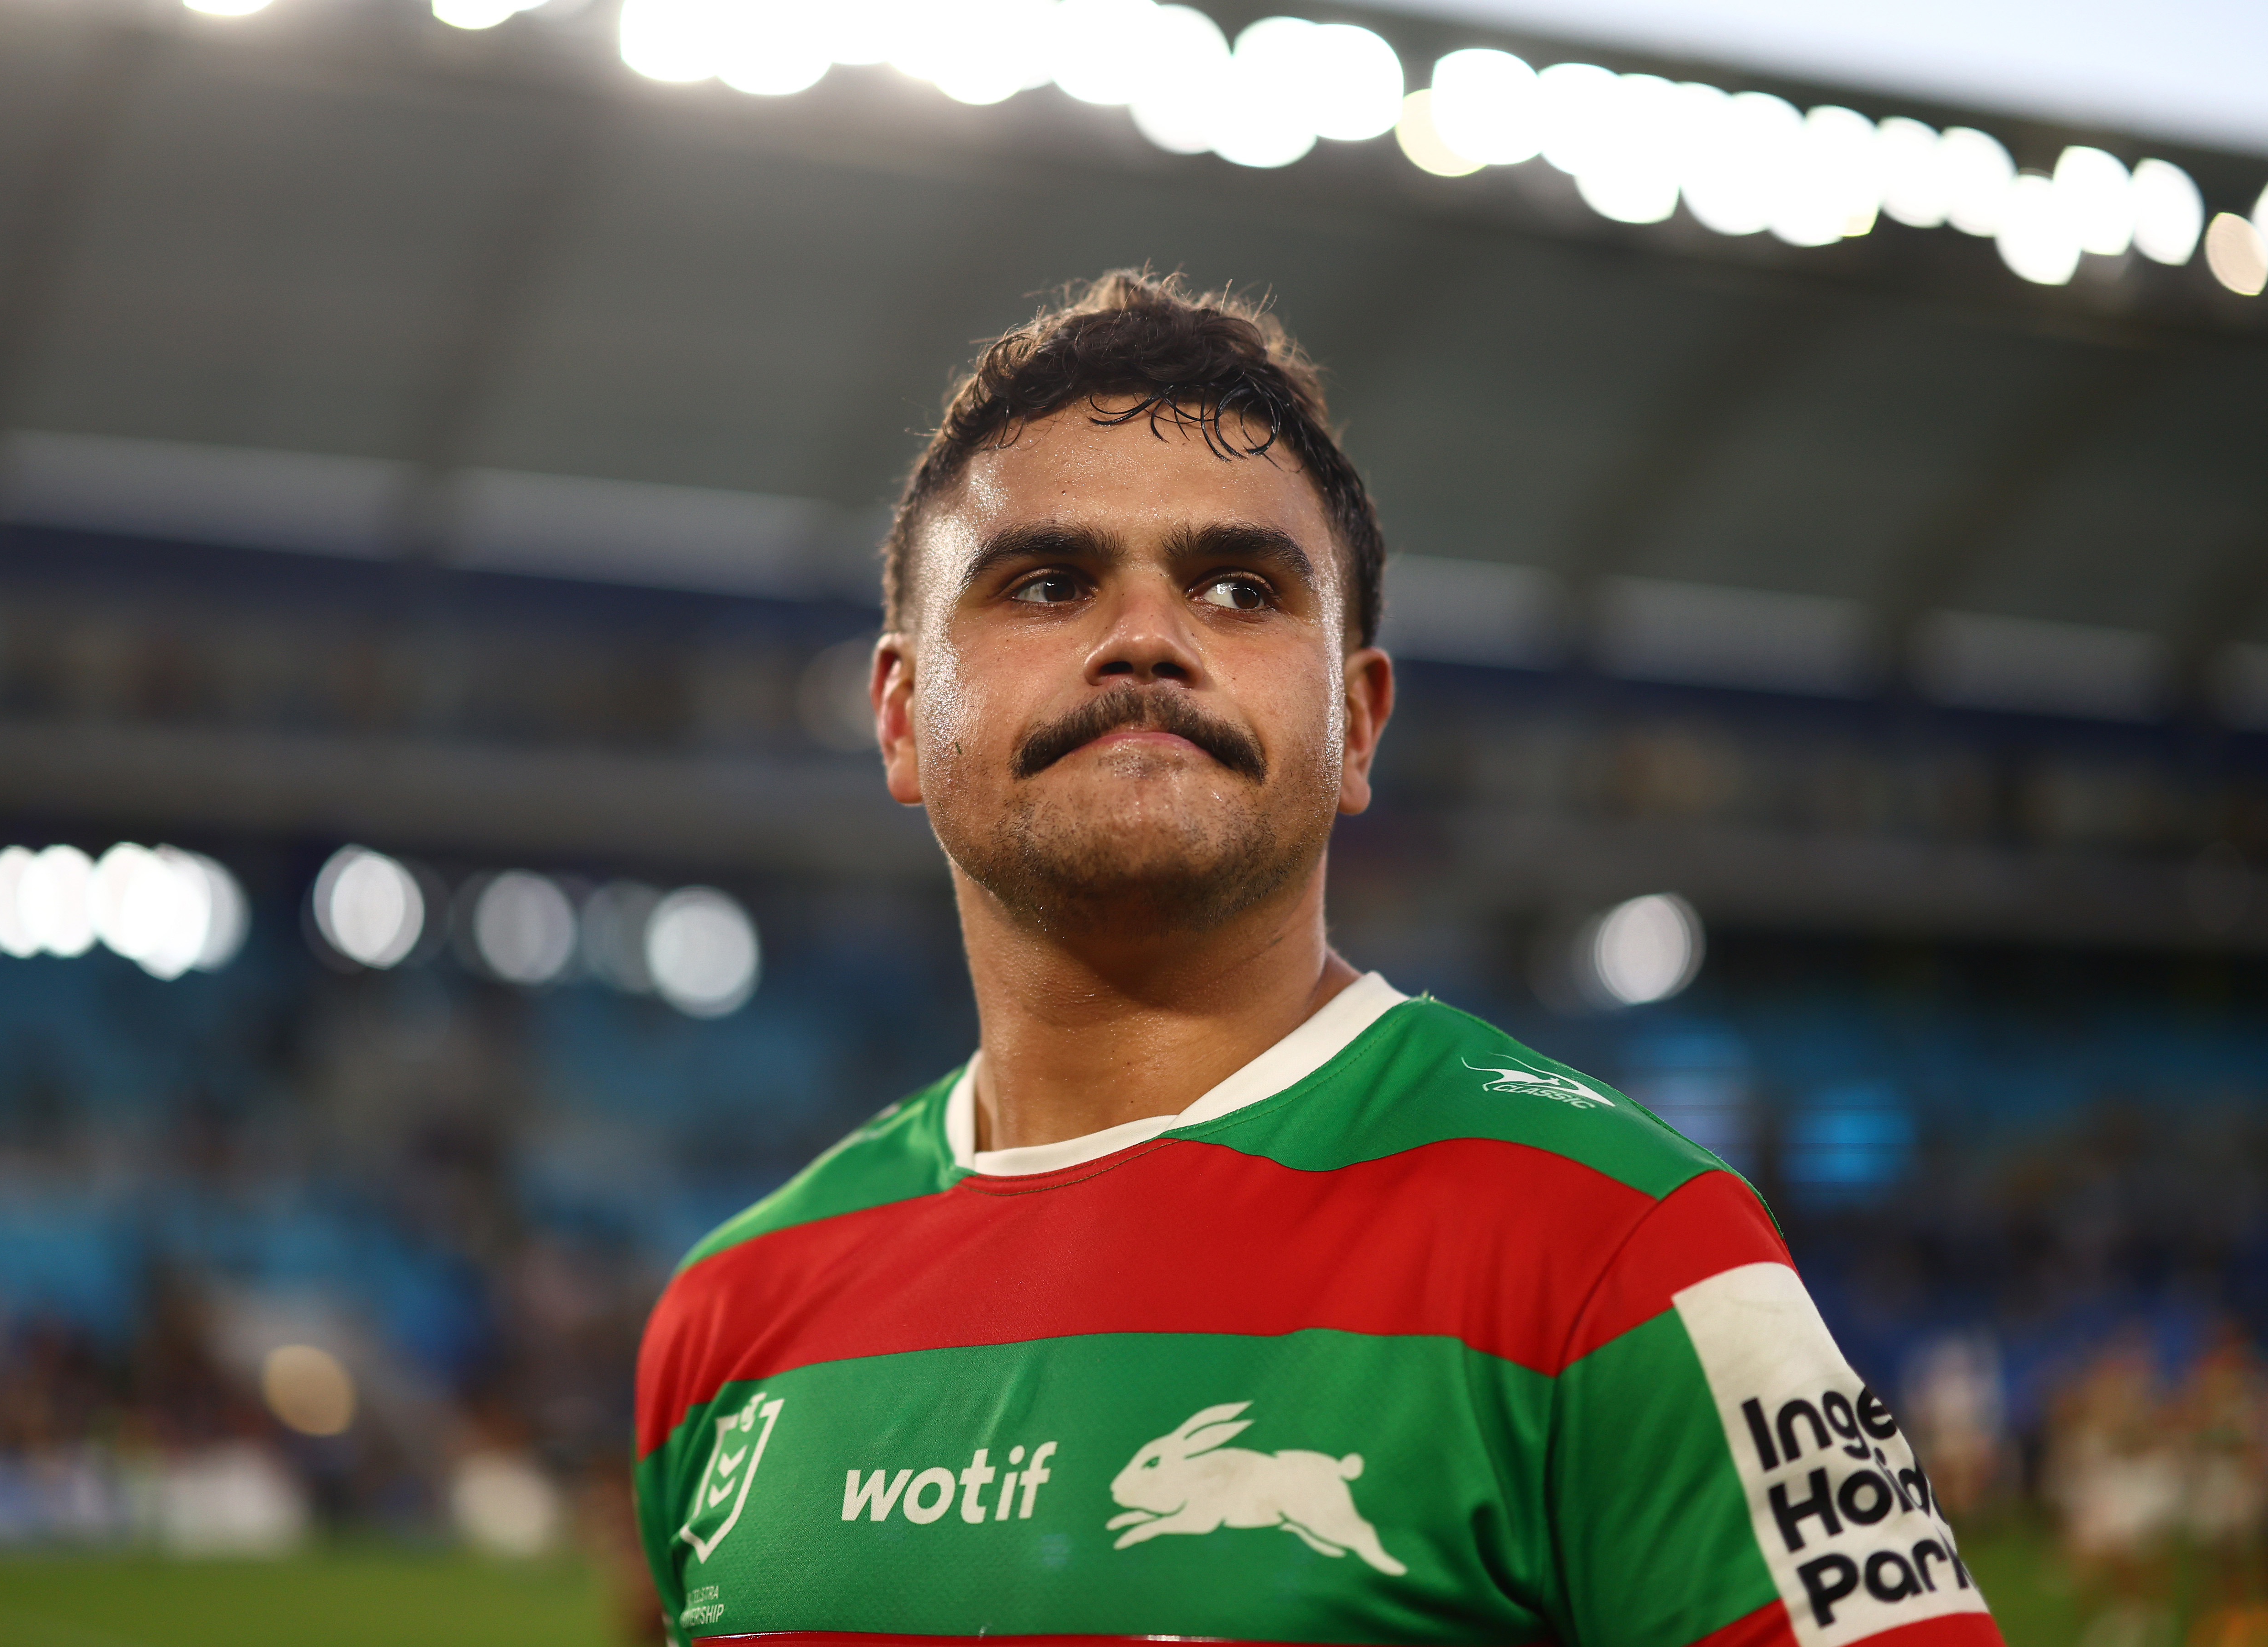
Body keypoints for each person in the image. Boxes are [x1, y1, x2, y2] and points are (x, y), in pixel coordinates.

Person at [633, 272, 2002, 1647]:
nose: (1144, 641)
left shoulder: (1622, 1247)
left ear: (1356, 722)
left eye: (1239, 587)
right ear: (896, 713)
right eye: (1047, 582)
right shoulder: (728, 1318)